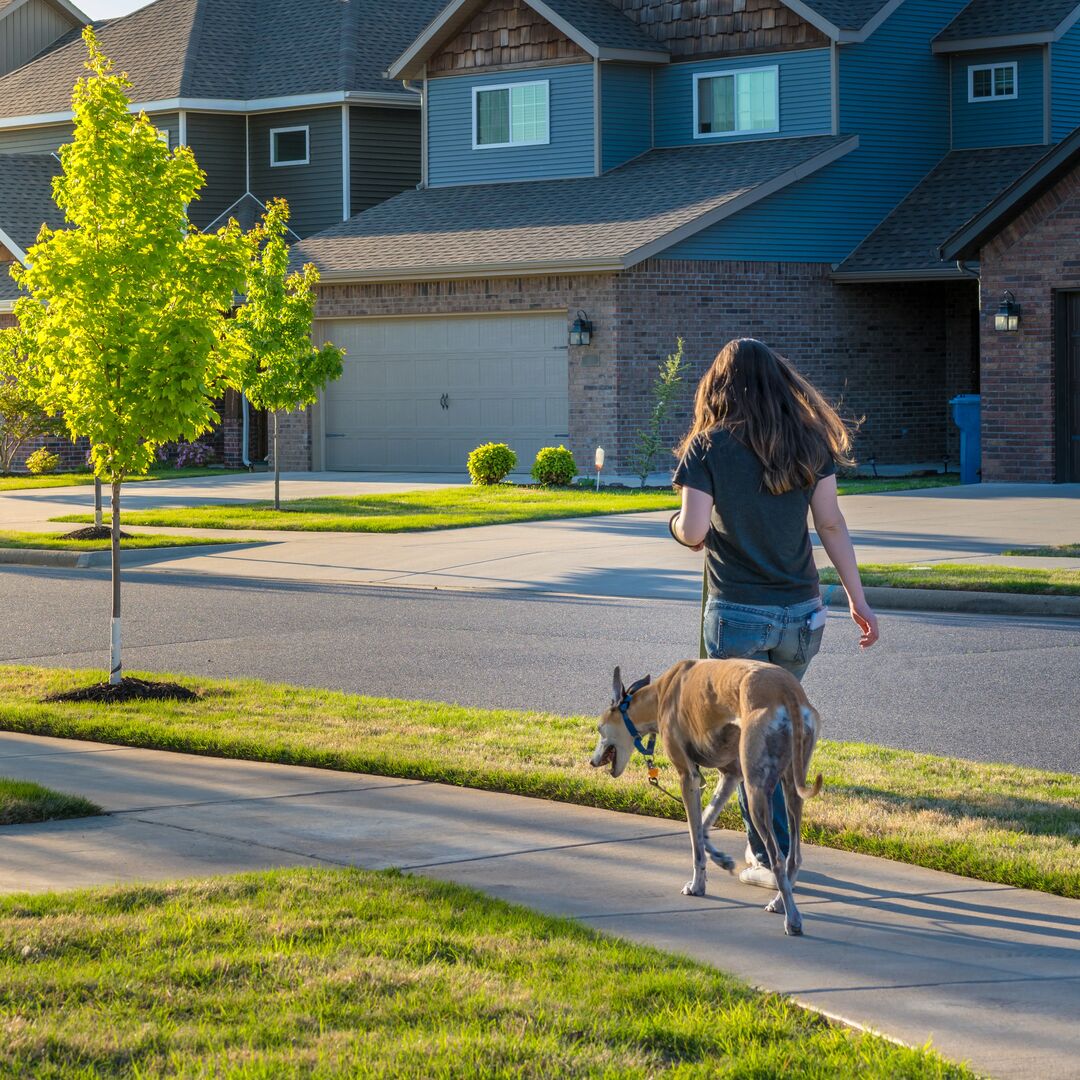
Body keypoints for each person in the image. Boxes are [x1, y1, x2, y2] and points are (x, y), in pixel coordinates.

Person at [669, 337, 879, 889]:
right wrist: (859, 599)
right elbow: (830, 524)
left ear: (718, 386)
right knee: (774, 737)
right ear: (781, 383)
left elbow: (692, 531)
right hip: (803, 618)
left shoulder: (706, 446)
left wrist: (674, 526)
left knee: (747, 745)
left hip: (737, 613)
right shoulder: (808, 441)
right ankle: (772, 846)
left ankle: (770, 855)